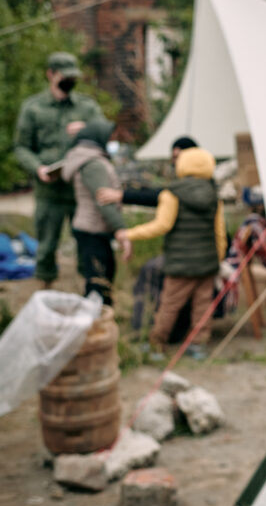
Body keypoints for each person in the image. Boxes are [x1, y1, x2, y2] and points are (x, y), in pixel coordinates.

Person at [117, 146, 226, 359]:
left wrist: (131, 234)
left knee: (169, 305)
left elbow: (162, 225)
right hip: (207, 262)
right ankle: (198, 345)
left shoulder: (171, 194)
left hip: (180, 263)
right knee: (202, 306)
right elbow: (220, 232)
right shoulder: (214, 195)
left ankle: (157, 344)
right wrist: (217, 258)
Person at [13, 52, 105, 286]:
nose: (70, 81)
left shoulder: (86, 106)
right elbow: (22, 147)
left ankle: (91, 293)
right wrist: (38, 168)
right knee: (45, 247)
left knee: (87, 243)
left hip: (80, 191)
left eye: (73, 77)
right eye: (65, 76)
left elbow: (104, 135)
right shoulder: (33, 108)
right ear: (51, 74)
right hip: (49, 192)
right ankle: (44, 290)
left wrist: (87, 129)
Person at [60, 120, 130, 305]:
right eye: (110, 135)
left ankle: (98, 319)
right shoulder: (93, 163)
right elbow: (103, 199)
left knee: (102, 276)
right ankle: (95, 323)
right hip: (92, 228)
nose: (112, 139)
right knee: (98, 282)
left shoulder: (89, 159)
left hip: (92, 227)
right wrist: (120, 229)